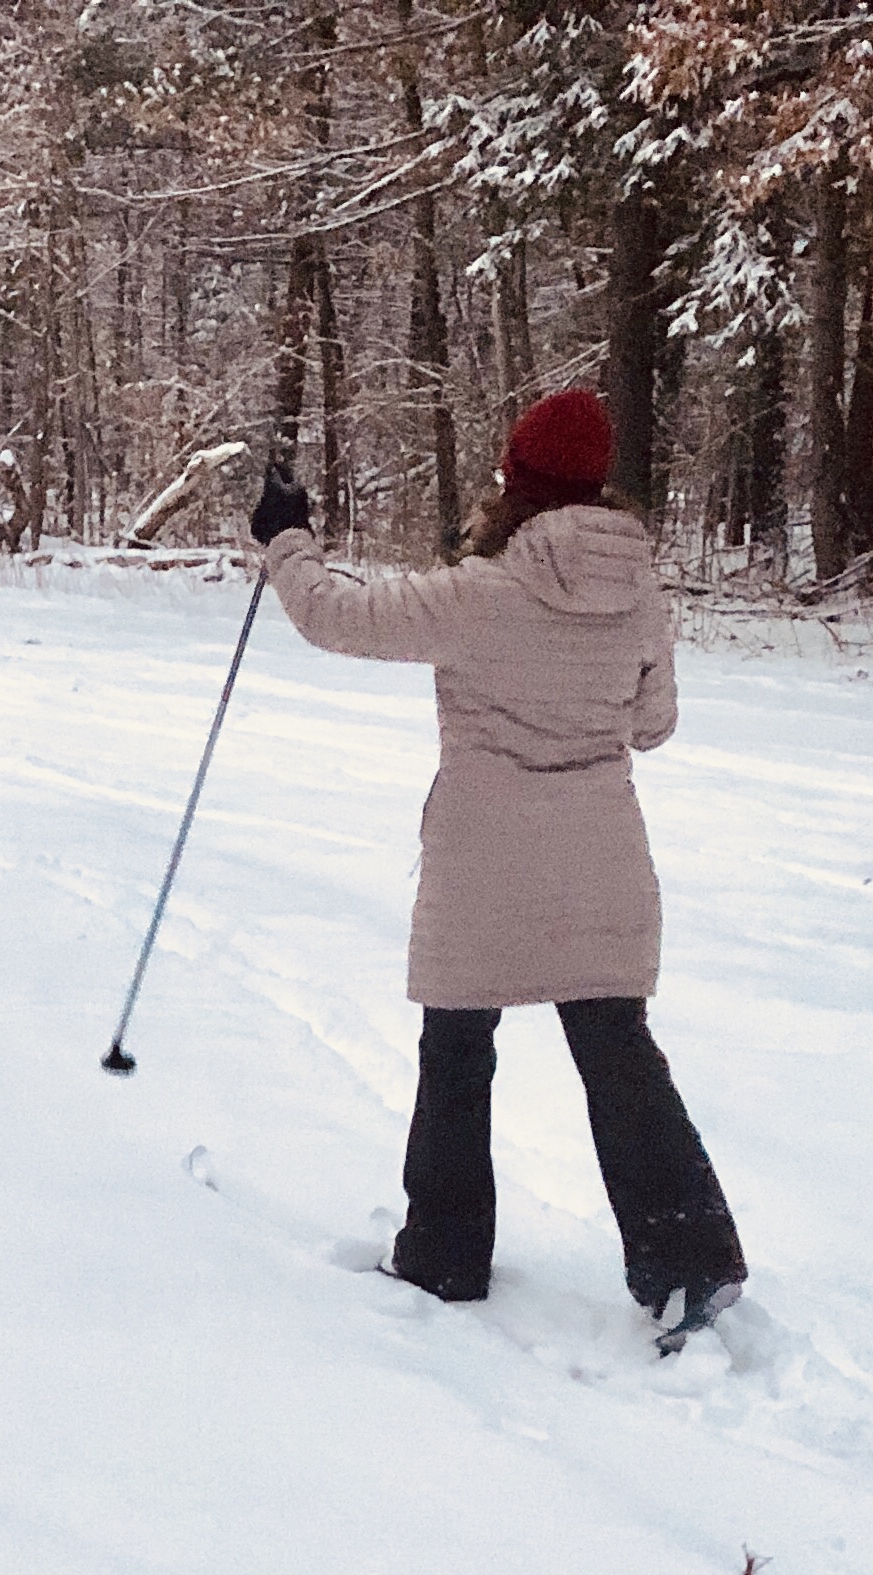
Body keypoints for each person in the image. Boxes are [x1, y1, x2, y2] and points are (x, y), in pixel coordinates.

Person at [248, 387, 749, 1355]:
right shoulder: (639, 594)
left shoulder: (479, 595)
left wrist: (288, 537)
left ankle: (444, 1253)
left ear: (515, 478)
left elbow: (335, 617)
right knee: (617, 1053)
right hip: (601, 856)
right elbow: (653, 728)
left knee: (458, 1049)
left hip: (484, 858)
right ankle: (688, 1258)